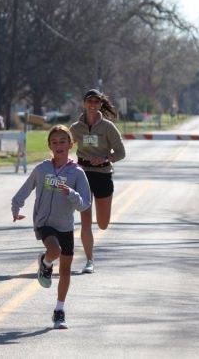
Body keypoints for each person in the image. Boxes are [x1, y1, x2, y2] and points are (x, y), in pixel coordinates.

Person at [11, 125, 91, 329]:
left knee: (65, 271)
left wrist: (70, 193)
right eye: (54, 142)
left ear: (70, 144)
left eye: (63, 141)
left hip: (65, 225)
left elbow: (84, 204)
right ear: (49, 145)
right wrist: (16, 207)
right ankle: (46, 262)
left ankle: (59, 311)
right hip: (44, 222)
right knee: (54, 250)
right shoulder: (42, 169)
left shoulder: (77, 173)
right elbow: (25, 189)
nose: (59, 145)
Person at [70, 89, 125, 274]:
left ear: (101, 104)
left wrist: (105, 158)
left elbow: (121, 153)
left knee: (102, 223)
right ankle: (89, 260)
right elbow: (63, 144)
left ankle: (90, 256)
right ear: (84, 104)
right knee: (86, 222)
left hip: (102, 174)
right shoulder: (76, 128)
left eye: (96, 102)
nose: (92, 105)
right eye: (89, 101)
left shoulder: (108, 127)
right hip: (82, 174)